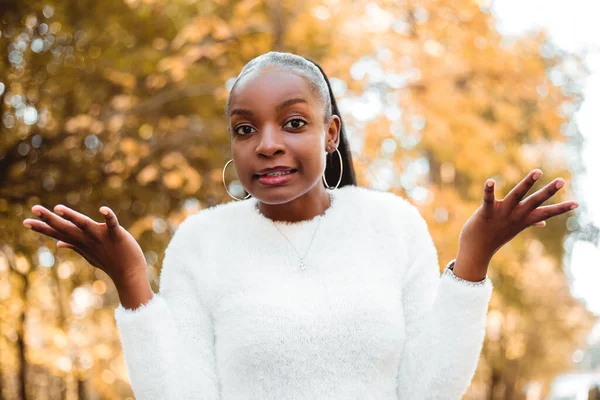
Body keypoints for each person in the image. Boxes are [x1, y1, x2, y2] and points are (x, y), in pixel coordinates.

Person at [22, 51, 579, 400]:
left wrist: (473, 259)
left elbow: (427, 389)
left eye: (292, 123)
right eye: (245, 130)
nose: (267, 145)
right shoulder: (202, 242)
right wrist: (132, 283)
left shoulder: (392, 224)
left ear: (330, 133)